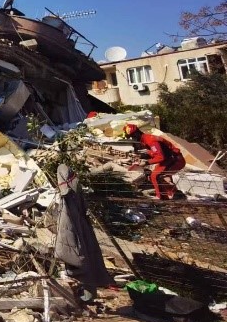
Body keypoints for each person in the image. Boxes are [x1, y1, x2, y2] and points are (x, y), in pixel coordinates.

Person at [55, 163, 114, 303]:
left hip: (76, 233)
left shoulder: (69, 197)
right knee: (86, 259)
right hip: (81, 231)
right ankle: (86, 293)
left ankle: (86, 294)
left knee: (82, 260)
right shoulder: (74, 190)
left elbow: (66, 224)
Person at [124, 124, 186, 199]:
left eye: (132, 137)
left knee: (155, 176)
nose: (132, 140)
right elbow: (155, 153)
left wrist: (146, 163)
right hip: (168, 159)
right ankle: (175, 194)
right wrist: (142, 156)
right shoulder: (145, 140)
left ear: (136, 134)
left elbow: (160, 157)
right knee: (158, 175)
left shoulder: (150, 140)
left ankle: (161, 198)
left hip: (175, 160)